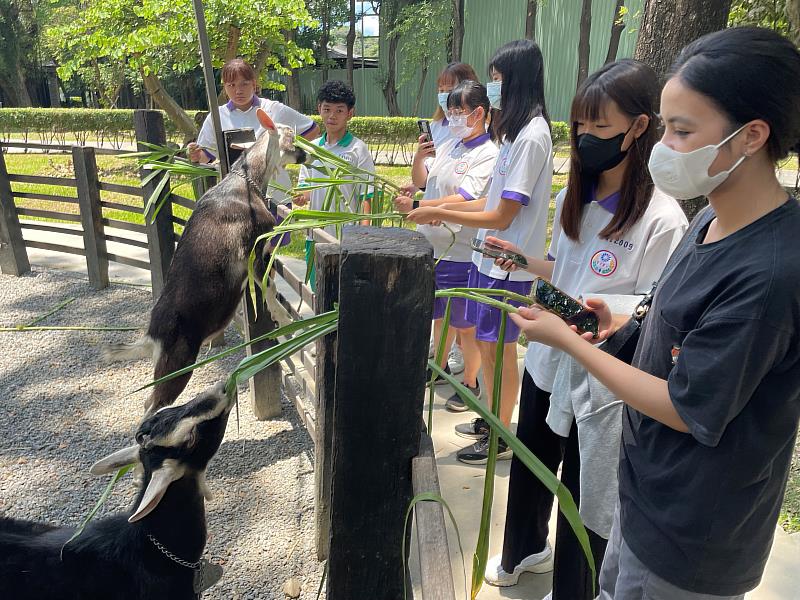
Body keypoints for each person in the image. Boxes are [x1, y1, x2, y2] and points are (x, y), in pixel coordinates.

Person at [509, 26, 800, 600]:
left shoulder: (770, 275)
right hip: (643, 496)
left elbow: (687, 408)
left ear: (751, 137)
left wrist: (571, 343)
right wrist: (622, 318)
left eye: (680, 130)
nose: (660, 144)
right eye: (664, 124)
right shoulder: (711, 218)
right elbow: (671, 311)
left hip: (691, 533)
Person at [480, 60, 688, 600]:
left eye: (600, 128)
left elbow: (647, 313)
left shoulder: (662, 220)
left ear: (639, 127)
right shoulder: (580, 195)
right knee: (531, 465)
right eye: (580, 128)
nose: (586, 140)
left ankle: (576, 585)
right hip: (549, 359)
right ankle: (522, 552)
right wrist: (525, 262)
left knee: (584, 491)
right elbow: (567, 269)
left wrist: (575, 325)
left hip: (602, 385)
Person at [407, 39, 552, 465]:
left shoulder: (532, 136)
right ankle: (492, 415)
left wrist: (439, 213)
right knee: (488, 347)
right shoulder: (514, 133)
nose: (492, 89)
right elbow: (487, 205)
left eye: (497, 81)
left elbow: (503, 215)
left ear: (517, 81)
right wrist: (432, 208)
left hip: (510, 262)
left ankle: (501, 431)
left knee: (500, 350)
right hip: (487, 258)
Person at [393, 80, 498, 412]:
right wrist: (418, 195)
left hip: (460, 251)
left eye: (459, 111)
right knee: (439, 315)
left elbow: (467, 198)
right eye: (450, 111)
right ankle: (438, 369)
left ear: (479, 113)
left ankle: (470, 381)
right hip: (432, 247)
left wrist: (429, 210)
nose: (452, 117)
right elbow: (426, 183)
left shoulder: (487, 154)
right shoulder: (451, 144)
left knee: (464, 324)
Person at [189, 58, 320, 206]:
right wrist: (195, 154)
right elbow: (205, 156)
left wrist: (282, 157)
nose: (238, 91)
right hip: (235, 199)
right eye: (231, 85)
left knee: (278, 229)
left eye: (244, 83)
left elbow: (312, 129)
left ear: (254, 83)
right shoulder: (217, 117)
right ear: (224, 87)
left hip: (276, 196)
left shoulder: (273, 109)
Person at [295, 80, 375, 288]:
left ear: (350, 113)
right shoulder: (312, 150)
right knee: (318, 289)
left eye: (339, 110)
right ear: (318, 110)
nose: (332, 116)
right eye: (327, 109)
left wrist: (363, 235)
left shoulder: (358, 149)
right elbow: (306, 191)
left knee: (343, 292)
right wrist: (299, 197)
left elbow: (366, 195)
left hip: (345, 236)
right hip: (316, 235)